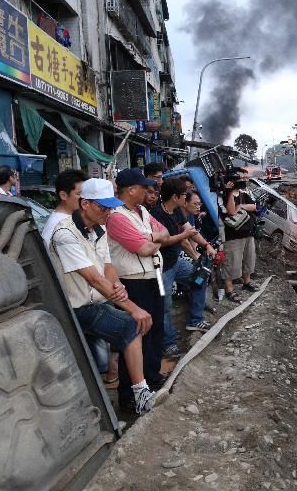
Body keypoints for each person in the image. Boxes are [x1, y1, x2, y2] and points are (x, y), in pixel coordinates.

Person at [46, 178, 156, 415]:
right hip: (75, 308)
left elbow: (107, 267)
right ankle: (139, 393)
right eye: (102, 207)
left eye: (110, 207)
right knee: (131, 324)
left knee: (128, 330)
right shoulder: (65, 234)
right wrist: (131, 307)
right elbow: (94, 278)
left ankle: (137, 392)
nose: (108, 212)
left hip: (97, 300)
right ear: (85, 204)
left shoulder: (99, 229)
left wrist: (116, 285)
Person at [107, 168, 189, 411]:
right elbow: (144, 249)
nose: (149, 191)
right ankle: (130, 394)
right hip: (133, 282)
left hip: (153, 277)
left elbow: (164, 234)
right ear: (131, 190)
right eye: (145, 188)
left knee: (155, 331)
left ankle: (152, 378)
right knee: (135, 336)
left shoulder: (142, 211)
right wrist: (154, 240)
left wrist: (150, 238)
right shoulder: (117, 217)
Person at [149, 177, 210, 359]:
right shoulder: (156, 215)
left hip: (176, 262)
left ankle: (195, 319)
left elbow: (189, 230)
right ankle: (168, 344)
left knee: (200, 277)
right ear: (175, 197)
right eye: (184, 194)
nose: (186, 197)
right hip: (161, 269)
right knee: (164, 305)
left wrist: (206, 246)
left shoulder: (177, 211)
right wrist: (186, 238)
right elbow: (165, 241)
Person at [223, 168, 258, 302]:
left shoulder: (245, 192)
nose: (244, 180)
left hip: (248, 233)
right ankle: (229, 290)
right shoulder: (226, 193)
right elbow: (231, 211)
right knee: (232, 262)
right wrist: (230, 193)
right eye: (242, 177)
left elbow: (254, 207)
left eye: (245, 177)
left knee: (248, 259)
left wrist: (241, 206)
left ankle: (247, 282)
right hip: (233, 235)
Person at [41, 169, 89, 248]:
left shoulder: (74, 218)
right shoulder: (57, 225)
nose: (85, 198)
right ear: (63, 195)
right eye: (79, 194)